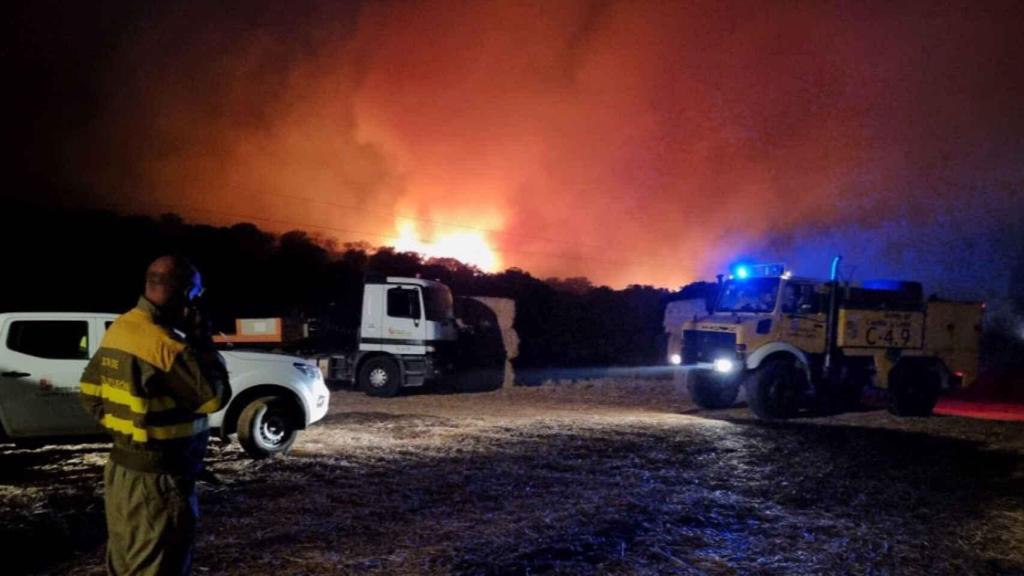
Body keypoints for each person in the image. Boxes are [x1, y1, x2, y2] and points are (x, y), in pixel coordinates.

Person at [80, 255, 231, 575]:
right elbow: (214, 398)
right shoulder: (166, 346)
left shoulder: (121, 328)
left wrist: (132, 430)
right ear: (187, 294)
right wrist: (202, 342)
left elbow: (90, 394)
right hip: (159, 482)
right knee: (158, 566)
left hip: (122, 472)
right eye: (198, 294)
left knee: (127, 562)